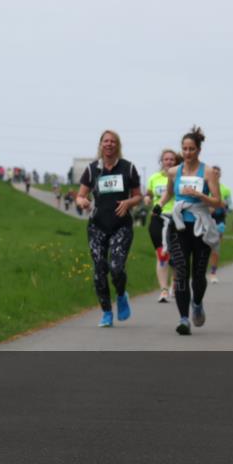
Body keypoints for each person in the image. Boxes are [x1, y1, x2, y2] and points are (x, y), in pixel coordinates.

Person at [157, 126, 224, 335]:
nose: (187, 153)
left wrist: (200, 195)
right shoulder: (173, 171)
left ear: (198, 150)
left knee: (197, 274)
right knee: (181, 272)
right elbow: (169, 193)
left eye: (192, 149)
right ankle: (184, 319)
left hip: (200, 225)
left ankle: (196, 303)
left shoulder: (209, 171)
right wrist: (158, 206)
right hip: (179, 225)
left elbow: (218, 202)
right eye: (184, 149)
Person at [75, 130, 142, 327]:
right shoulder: (92, 169)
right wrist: (83, 202)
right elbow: (80, 195)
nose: (109, 144)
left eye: (113, 141)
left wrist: (129, 203)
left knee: (116, 267)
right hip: (97, 226)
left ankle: (121, 295)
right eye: (106, 141)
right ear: (101, 144)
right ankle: (106, 312)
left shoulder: (128, 168)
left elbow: (138, 195)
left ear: (118, 145)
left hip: (121, 226)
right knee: (99, 269)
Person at [145, 149, 178, 302]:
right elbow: (149, 194)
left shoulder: (180, 178)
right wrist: (147, 198)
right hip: (158, 217)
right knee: (162, 254)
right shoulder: (154, 178)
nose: (169, 162)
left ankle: (175, 284)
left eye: (172, 159)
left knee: (176, 254)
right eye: (166, 159)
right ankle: (164, 290)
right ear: (162, 161)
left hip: (177, 217)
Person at [208, 166, 232, 284]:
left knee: (215, 247)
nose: (216, 174)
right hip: (205, 218)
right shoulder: (205, 186)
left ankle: (213, 272)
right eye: (214, 173)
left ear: (220, 175)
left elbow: (229, 206)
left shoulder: (225, 189)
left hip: (219, 220)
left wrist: (222, 205)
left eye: (218, 173)